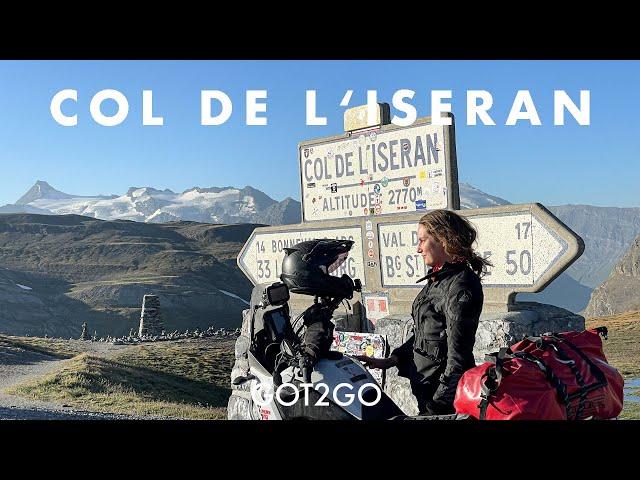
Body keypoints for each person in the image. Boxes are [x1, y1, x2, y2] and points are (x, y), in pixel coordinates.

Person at [356, 209, 490, 415]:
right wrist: (392, 360)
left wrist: (436, 407)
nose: (418, 249)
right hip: (426, 388)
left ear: (443, 240)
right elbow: (425, 333)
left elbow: (458, 358)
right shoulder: (438, 278)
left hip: (445, 399)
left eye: (422, 240)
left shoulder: (460, 286)